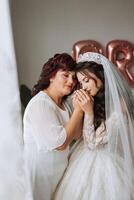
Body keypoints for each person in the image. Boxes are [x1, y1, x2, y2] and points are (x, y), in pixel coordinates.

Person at [54, 52, 134, 200]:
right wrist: (79, 109)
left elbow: (93, 143)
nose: (84, 87)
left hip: (108, 161)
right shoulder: (94, 98)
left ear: (101, 76)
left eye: (86, 81)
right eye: (81, 83)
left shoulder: (120, 104)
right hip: (84, 157)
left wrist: (89, 112)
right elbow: (81, 136)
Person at [23, 53, 84, 200]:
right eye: (66, 75)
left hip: (57, 177)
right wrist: (79, 110)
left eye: (74, 77)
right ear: (51, 76)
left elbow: (76, 135)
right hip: (39, 179)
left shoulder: (64, 105)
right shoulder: (40, 104)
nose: (71, 81)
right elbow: (60, 143)